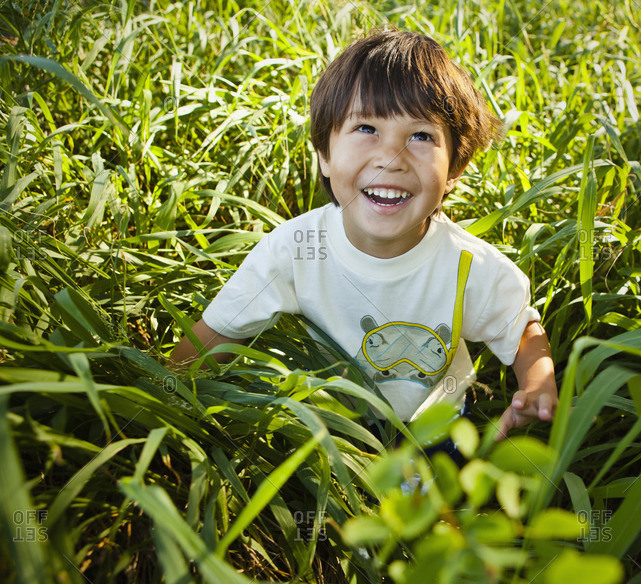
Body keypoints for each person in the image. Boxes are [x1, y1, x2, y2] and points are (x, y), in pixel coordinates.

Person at [169, 28, 557, 443]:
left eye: (421, 136)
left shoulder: (469, 265)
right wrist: (162, 390)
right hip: (332, 427)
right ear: (325, 154)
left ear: (453, 172)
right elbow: (220, 331)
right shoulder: (294, 249)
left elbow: (521, 332)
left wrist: (537, 386)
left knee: (447, 503)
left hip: (438, 426)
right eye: (367, 128)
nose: (391, 159)